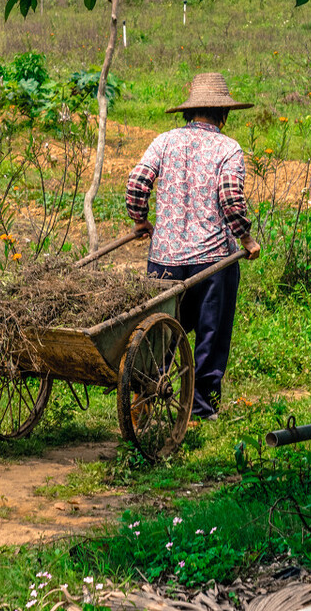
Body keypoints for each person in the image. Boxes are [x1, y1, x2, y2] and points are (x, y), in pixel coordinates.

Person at [125, 72, 261, 421]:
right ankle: (201, 408)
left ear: (190, 112)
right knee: (211, 336)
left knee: (162, 333)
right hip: (212, 263)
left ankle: (147, 395)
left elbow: (138, 182)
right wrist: (245, 238)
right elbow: (231, 199)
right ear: (223, 114)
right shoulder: (228, 148)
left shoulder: (164, 141)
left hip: (164, 261)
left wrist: (140, 220)